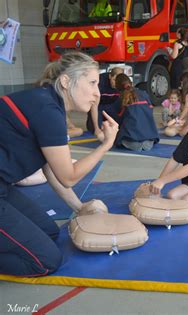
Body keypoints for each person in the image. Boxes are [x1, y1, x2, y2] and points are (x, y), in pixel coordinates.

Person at [0, 52, 119, 276]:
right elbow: (69, 176)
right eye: (92, 83)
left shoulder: (47, 103)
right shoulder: (47, 109)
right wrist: (105, 145)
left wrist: (79, 208)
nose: (97, 93)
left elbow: (52, 170)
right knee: (45, 261)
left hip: (3, 187)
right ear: (66, 82)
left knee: (49, 232)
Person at [113, 73, 159, 151]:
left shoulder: (121, 99)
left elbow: (118, 119)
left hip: (132, 140)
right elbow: (150, 111)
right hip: (149, 140)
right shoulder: (144, 94)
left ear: (118, 86)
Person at [87, 66, 124, 140]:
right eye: (114, 80)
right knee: (94, 129)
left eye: (118, 81)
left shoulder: (123, 83)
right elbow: (94, 106)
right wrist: (97, 128)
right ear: (110, 76)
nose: (116, 83)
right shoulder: (99, 82)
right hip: (99, 106)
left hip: (112, 105)